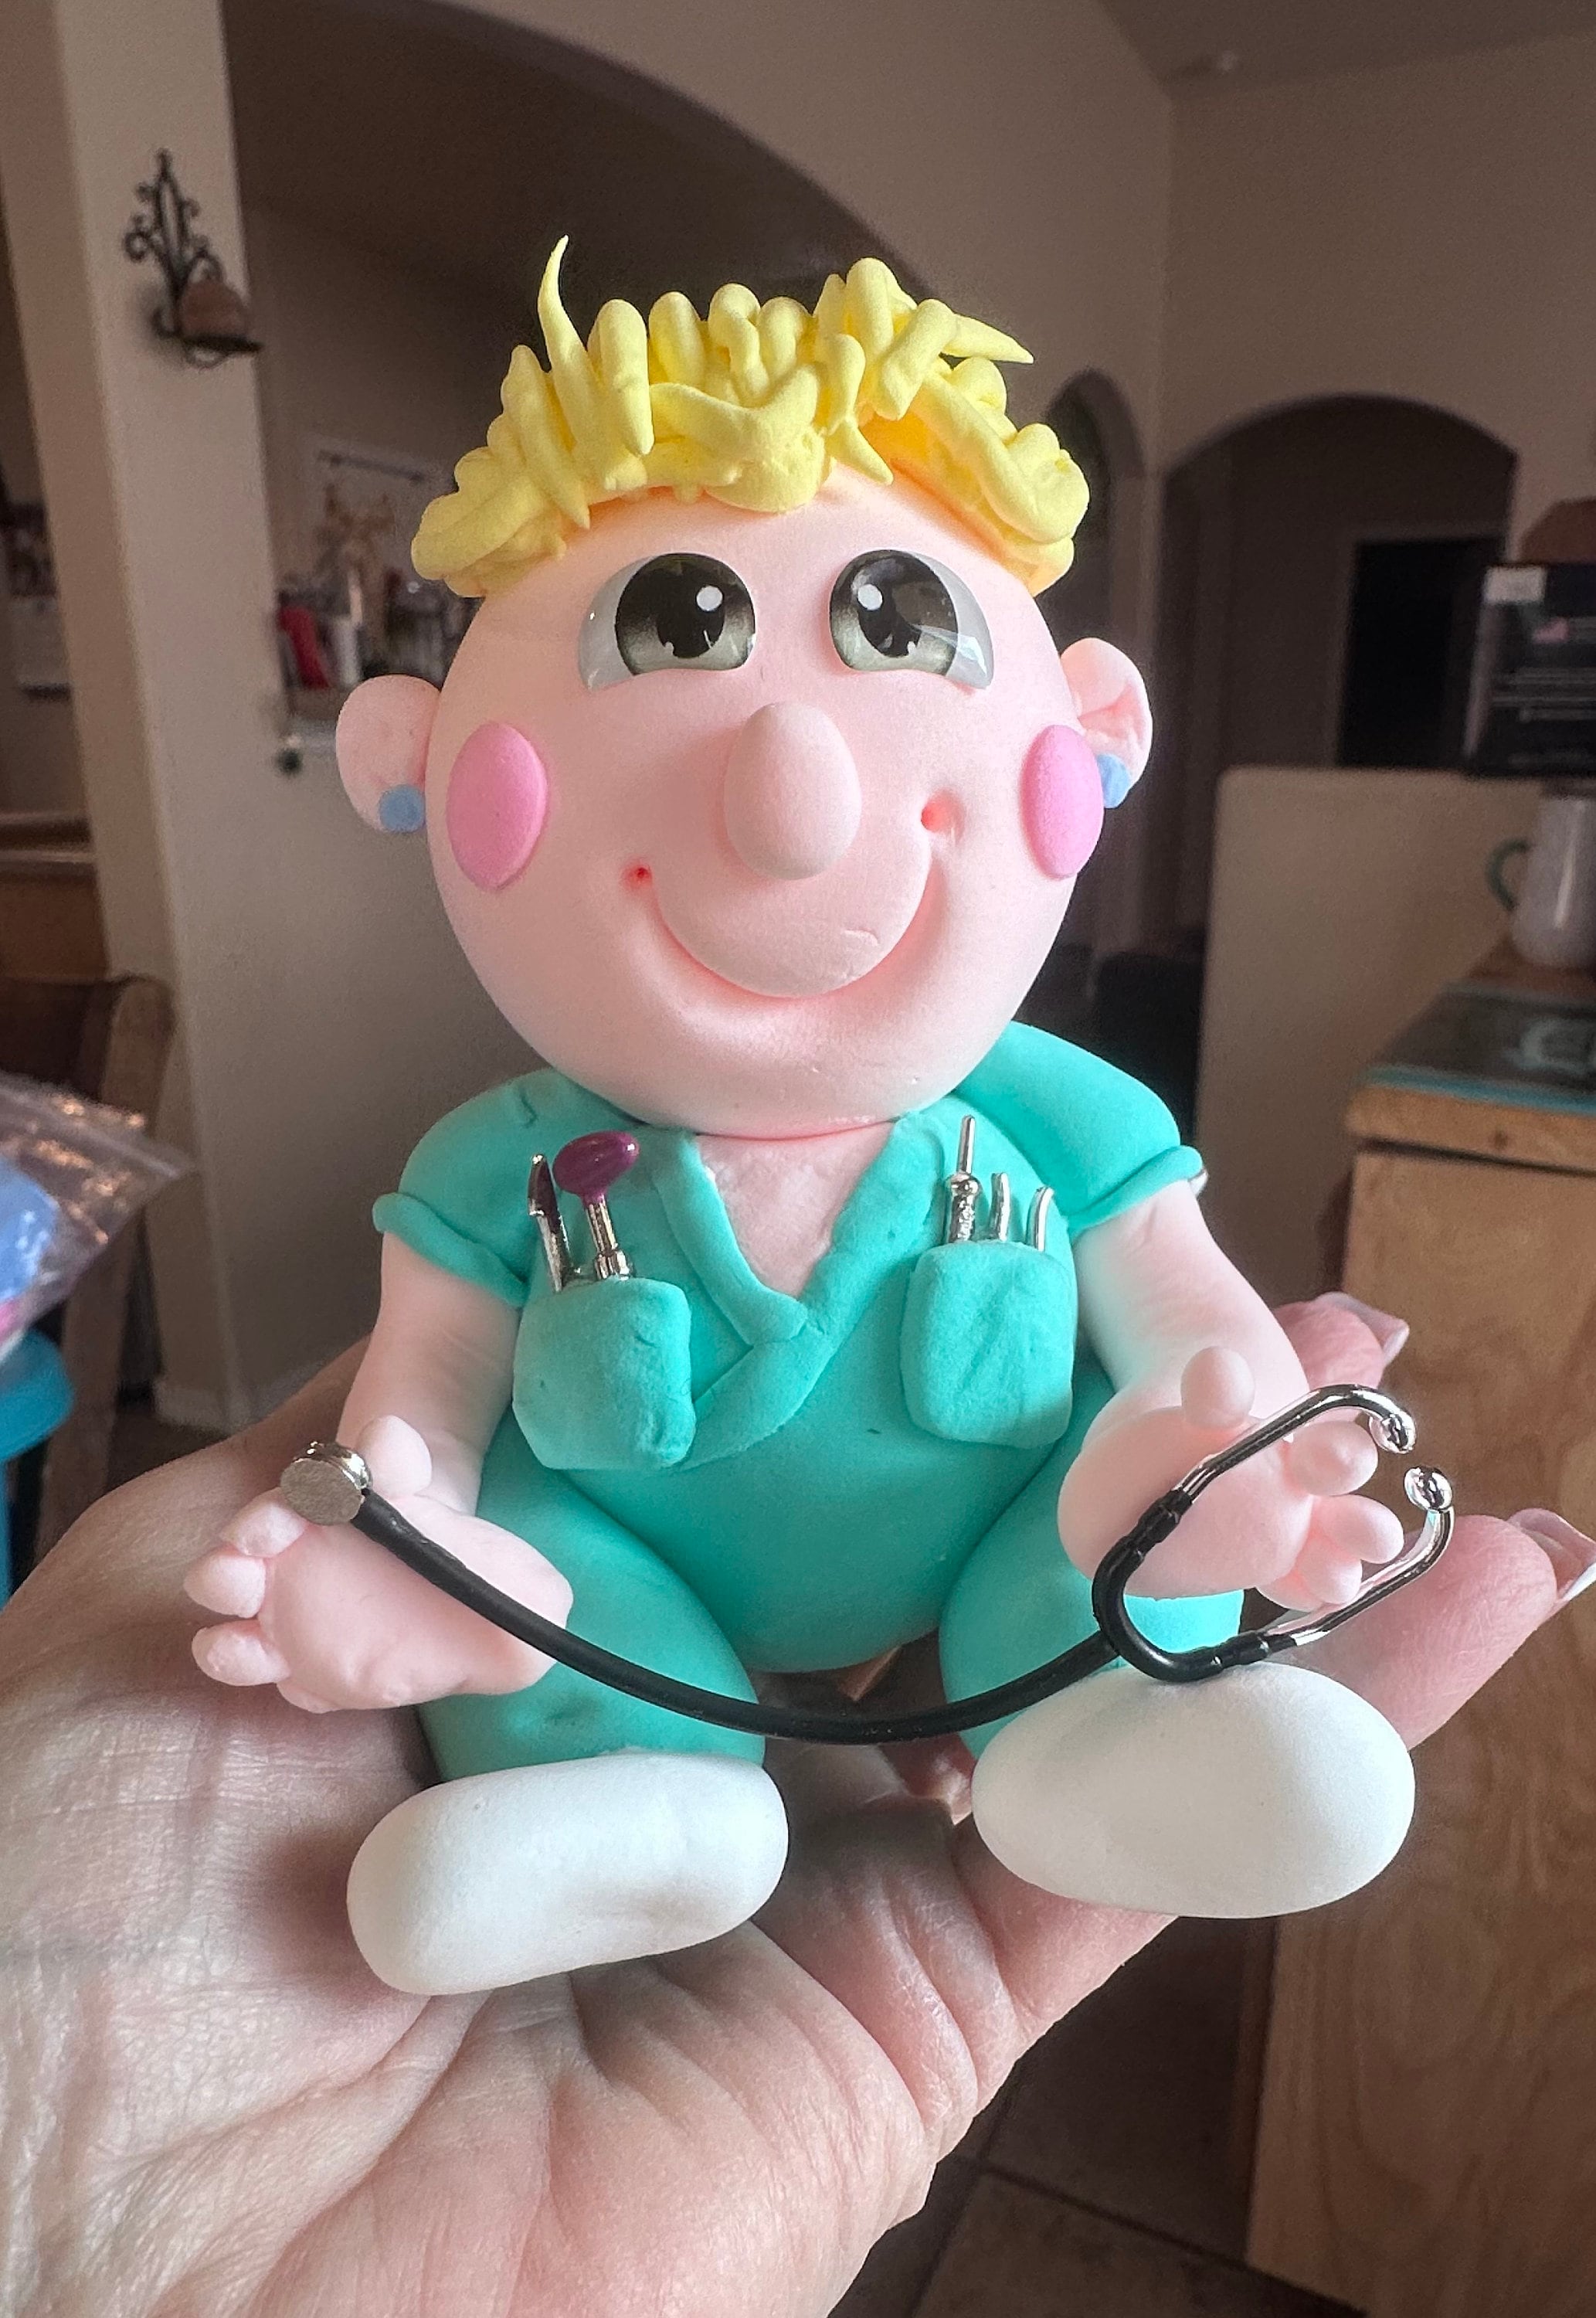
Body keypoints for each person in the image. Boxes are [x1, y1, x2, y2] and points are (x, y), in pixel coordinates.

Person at [0, 1305, 1588, 2315]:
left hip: (992, 1510)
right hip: (631, 1540)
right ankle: (631, 1797)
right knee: (559, 1571)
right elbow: (433, 1362)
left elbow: (1181, 1313)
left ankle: (1100, 1735)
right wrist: (410, 1516)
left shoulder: (1068, 1118)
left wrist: (1223, 1430)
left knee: (1104, 1495)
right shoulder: (511, 1159)